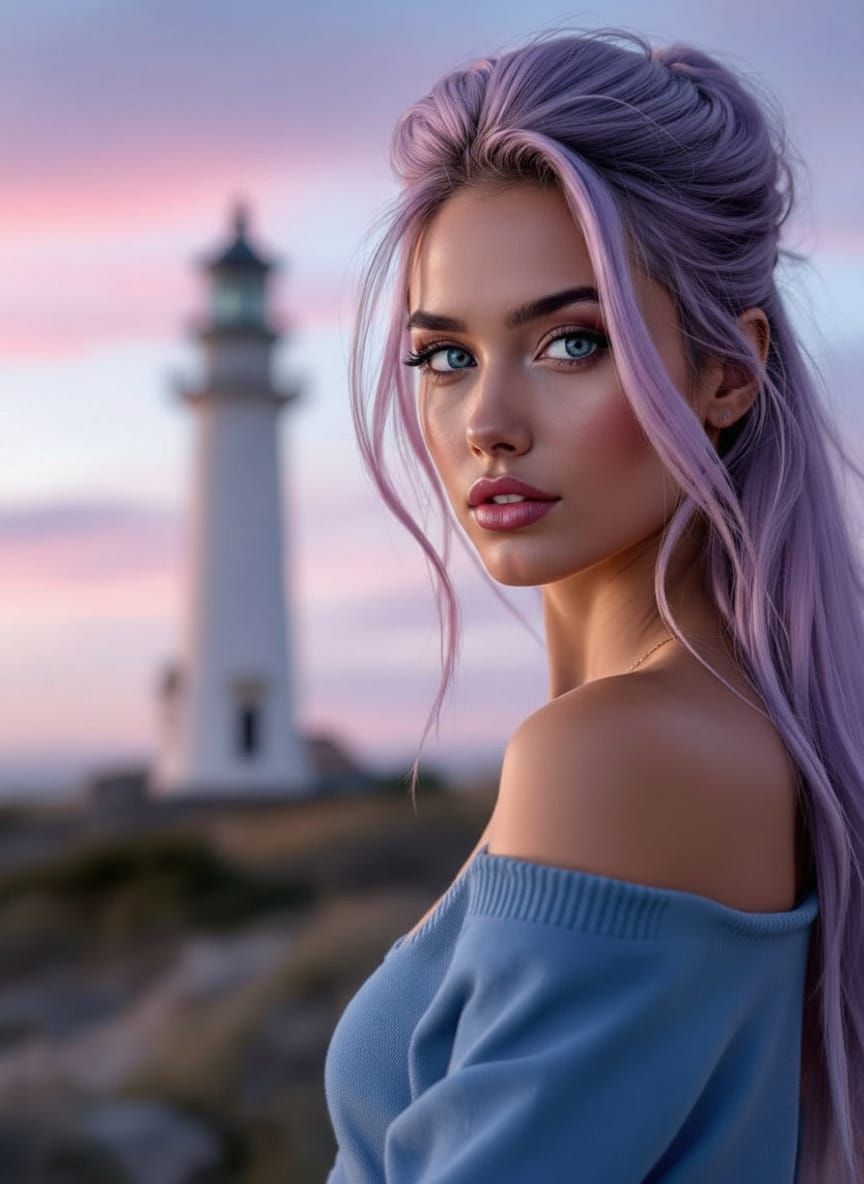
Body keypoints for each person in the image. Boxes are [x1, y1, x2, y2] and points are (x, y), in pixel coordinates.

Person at [323, 24, 864, 1183]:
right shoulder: (728, 728)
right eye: (445, 355)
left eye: (571, 341)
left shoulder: (621, 755)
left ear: (730, 370)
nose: (487, 422)